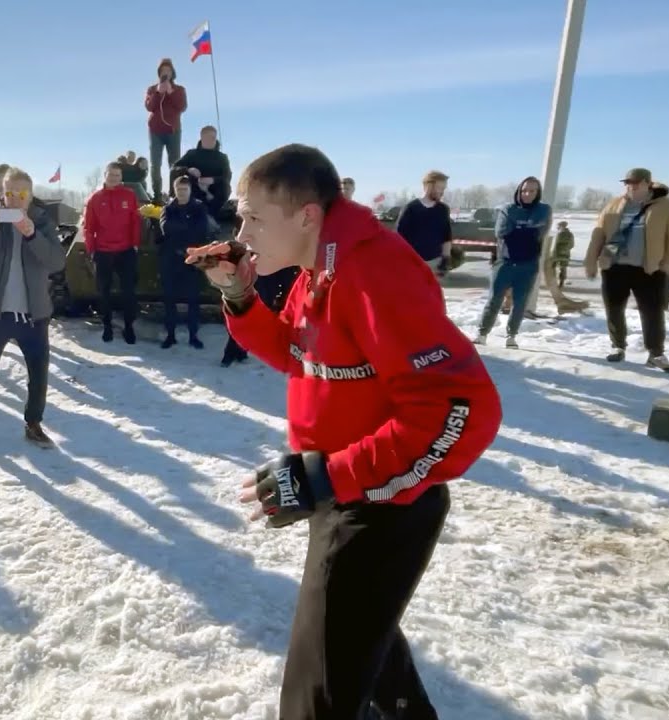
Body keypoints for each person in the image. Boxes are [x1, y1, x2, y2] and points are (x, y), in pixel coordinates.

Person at [187, 143, 501, 719]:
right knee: (364, 643)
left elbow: (457, 406)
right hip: (346, 489)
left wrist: (326, 475)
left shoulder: (371, 269)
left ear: (306, 215)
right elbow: (293, 351)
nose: (242, 230)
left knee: (316, 694)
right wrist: (237, 293)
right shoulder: (320, 268)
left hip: (382, 504)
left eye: (254, 216)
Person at [0, 167, 67, 449]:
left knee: (38, 372)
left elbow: (57, 263)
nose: (15, 200)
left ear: (30, 195)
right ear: (1, 193)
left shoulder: (43, 222)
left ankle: (33, 424)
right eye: (9, 193)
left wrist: (32, 235)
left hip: (33, 313)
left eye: (21, 194)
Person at [584, 168, 669, 373]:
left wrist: (668, 265)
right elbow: (599, 235)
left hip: (648, 269)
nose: (631, 186)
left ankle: (655, 353)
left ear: (648, 183)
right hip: (615, 267)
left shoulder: (667, 206)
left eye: (636, 182)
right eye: (628, 182)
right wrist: (591, 261)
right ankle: (618, 346)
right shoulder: (614, 204)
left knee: (652, 312)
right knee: (614, 308)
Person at [474, 176, 551, 349]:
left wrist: (518, 229)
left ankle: (511, 336)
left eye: (532, 191)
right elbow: (502, 232)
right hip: (505, 262)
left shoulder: (544, 210)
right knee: (494, 299)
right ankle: (482, 333)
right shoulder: (508, 209)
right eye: (524, 190)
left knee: (520, 302)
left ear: (537, 193)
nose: (527, 194)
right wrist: (526, 230)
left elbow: (540, 233)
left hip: (528, 264)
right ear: (519, 190)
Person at [82, 163, 142, 344]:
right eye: (111, 174)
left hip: (125, 250)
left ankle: (128, 327)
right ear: (105, 175)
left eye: (117, 175)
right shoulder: (95, 198)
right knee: (104, 292)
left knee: (128, 292)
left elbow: (135, 221)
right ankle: (107, 326)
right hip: (103, 251)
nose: (114, 178)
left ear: (121, 176)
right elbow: (88, 226)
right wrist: (91, 248)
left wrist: (135, 243)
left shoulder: (129, 195)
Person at [158, 174, 214, 349]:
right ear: (175, 190)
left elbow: (201, 230)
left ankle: (193, 335)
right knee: (169, 299)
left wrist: (180, 229)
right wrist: (187, 228)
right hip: (171, 258)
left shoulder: (198, 208)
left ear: (190, 190)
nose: (182, 192)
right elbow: (166, 228)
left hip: (192, 258)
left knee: (193, 300)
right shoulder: (168, 209)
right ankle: (170, 335)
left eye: (185, 189)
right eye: (179, 189)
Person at [144, 58, 188, 202]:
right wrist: (158, 93)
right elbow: (149, 107)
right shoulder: (152, 89)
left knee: (175, 163)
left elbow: (182, 106)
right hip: (155, 131)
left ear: (172, 73)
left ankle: (173, 193)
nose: (165, 73)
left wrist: (170, 92)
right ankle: (157, 194)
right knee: (155, 164)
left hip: (173, 131)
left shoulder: (179, 89)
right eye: (163, 71)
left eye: (168, 71)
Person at [394, 170, 453, 277]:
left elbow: (446, 236)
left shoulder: (443, 209)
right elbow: (399, 237)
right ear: (428, 186)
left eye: (444, 189)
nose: (442, 192)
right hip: (412, 263)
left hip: (435, 263)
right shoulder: (411, 208)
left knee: (433, 294)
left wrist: (446, 258)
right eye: (439, 188)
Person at [171, 125, 232, 217]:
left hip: (214, 192)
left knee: (225, 186)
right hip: (195, 190)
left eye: (214, 138)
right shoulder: (192, 154)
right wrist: (188, 170)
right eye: (209, 137)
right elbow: (174, 168)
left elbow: (227, 176)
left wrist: (213, 180)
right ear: (202, 138)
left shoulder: (222, 157)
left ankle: (212, 216)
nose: (212, 140)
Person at [551, 220, 574, 288]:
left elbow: (555, 245)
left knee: (553, 267)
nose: (557, 227)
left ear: (561, 226)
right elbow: (572, 245)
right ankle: (561, 283)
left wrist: (552, 254)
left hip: (557, 253)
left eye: (558, 226)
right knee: (563, 268)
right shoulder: (570, 234)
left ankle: (553, 282)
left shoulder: (560, 234)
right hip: (566, 253)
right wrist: (566, 249)